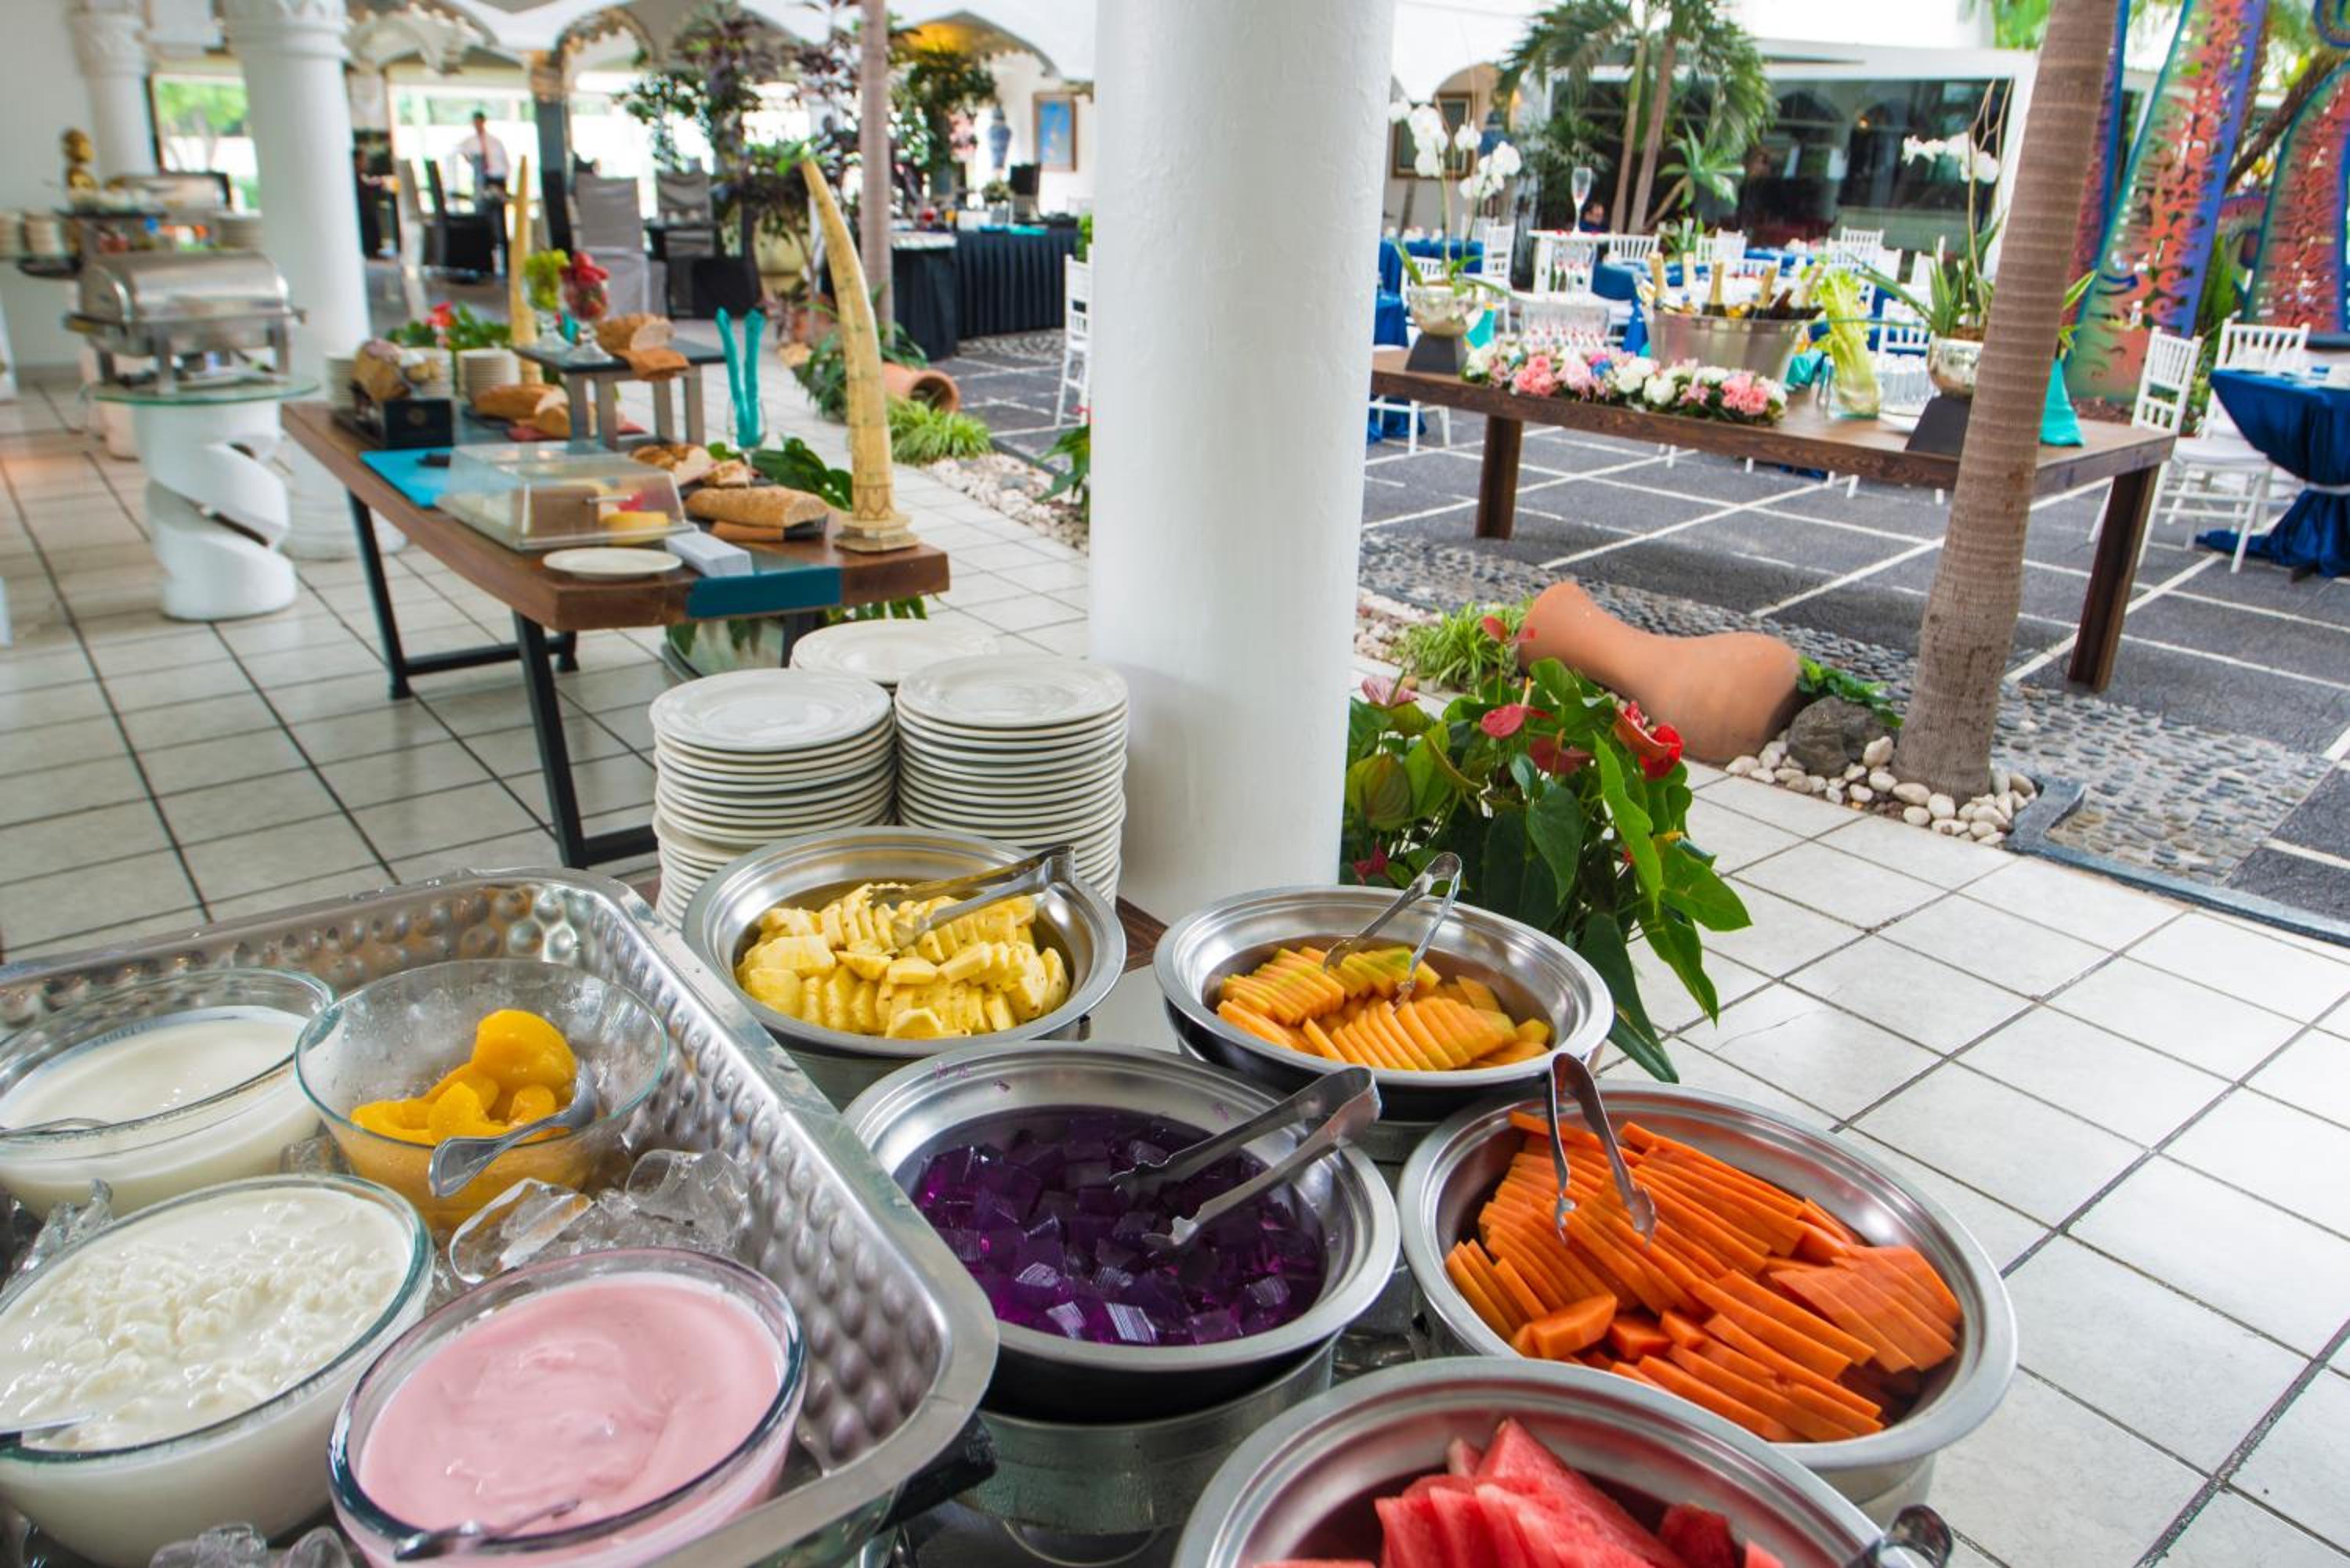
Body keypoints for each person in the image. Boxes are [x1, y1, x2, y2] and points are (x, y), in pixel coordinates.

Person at [462, 110, 511, 271]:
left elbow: (504, 161)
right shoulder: (469, 142)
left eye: (479, 122)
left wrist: (504, 180)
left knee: (499, 217)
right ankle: (486, 254)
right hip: (482, 181)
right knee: (483, 217)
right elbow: (464, 155)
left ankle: (504, 253)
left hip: (497, 179)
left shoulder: (494, 141)